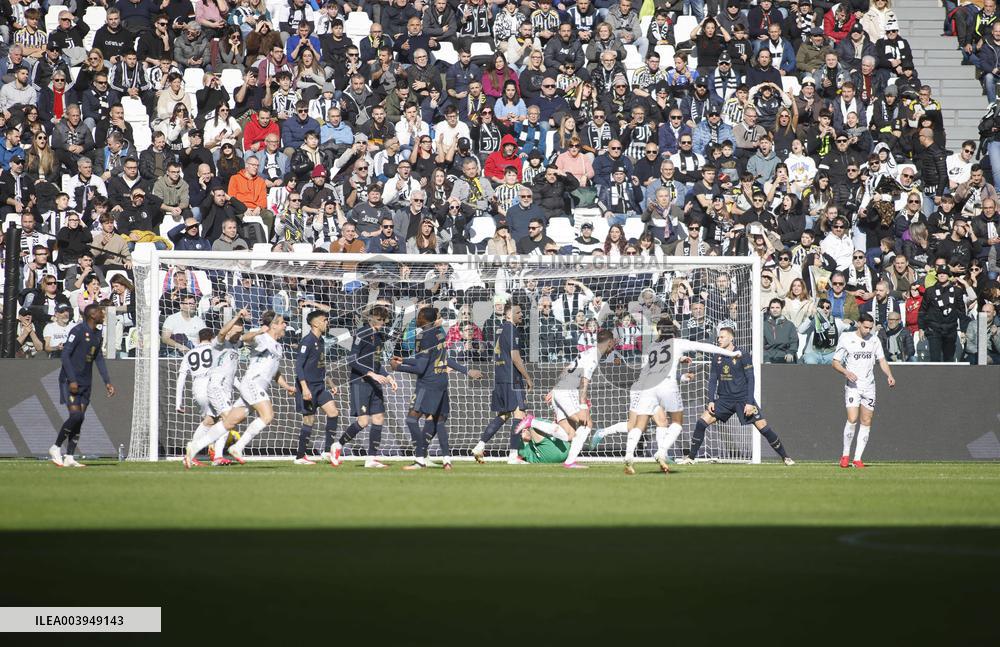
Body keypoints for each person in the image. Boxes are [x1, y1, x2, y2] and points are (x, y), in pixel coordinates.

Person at [620, 316, 741, 475]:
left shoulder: (651, 346)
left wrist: (679, 359)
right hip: (667, 385)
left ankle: (629, 456)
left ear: (659, 331)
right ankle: (661, 452)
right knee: (677, 422)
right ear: (674, 331)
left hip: (648, 386)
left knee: (640, 424)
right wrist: (730, 354)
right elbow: (704, 347)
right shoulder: (678, 343)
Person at [677, 325, 795, 466]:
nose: (719, 339)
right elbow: (713, 379)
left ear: (731, 338)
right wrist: (711, 400)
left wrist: (750, 402)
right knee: (701, 423)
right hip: (724, 400)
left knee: (764, 427)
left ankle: (786, 457)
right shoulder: (717, 356)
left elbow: (751, 378)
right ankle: (690, 458)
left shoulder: (742, 354)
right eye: (718, 337)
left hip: (743, 399)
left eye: (722, 337)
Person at [390, 306, 484, 470]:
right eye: (439, 315)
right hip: (441, 380)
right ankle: (447, 460)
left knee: (411, 419)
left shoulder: (423, 336)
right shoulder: (439, 334)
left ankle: (420, 458)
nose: (441, 318)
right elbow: (440, 358)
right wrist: (404, 360)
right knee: (439, 421)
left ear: (423, 319)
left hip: (428, 383)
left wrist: (398, 367)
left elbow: (420, 368)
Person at [516, 329, 617, 469]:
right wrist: (583, 405)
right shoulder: (594, 356)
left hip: (560, 390)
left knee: (569, 435)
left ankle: (533, 423)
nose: (613, 349)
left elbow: (566, 370)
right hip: (567, 392)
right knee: (587, 424)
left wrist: (555, 390)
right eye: (613, 345)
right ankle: (533, 423)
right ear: (610, 342)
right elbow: (584, 381)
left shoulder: (586, 352)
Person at [213, 311, 297, 464]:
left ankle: (200, 447)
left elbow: (275, 372)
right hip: (246, 384)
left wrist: (287, 386)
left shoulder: (278, 346)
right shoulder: (262, 338)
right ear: (273, 325)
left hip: (255, 387)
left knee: (229, 421)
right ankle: (236, 447)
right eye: (283, 322)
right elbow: (244, 338)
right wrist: (258, 331)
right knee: (267, 416)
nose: (285, 325)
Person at [48, 304, 117, 468]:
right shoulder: (77, 331)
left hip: (86, 381)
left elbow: (98, 358)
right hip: (70, 381)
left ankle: (70, 456)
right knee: (76, 416)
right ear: (92, 315)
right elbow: (65, 355)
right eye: (100, 312)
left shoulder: (98, 334)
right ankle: (56, 447)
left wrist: (107, 381)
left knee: (80, 419)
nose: (103, 314)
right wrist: (71, 379)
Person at [177, 311, 248, 467]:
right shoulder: (219, 343)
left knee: (209, 421)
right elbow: (222, 332)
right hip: (216, 388)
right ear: (229, 330)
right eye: (236, 332)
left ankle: (190, 454)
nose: (239, 335)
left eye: (241, 332)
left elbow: (246, 339)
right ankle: (217, 456)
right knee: (229, 420)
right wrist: (235, 317)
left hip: (218, 389)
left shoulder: (235, 344)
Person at [331, 305, 398, 468]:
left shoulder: (380, 337)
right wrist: (372, 374)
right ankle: (337, 445)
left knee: (379, 418)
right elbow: (352, 360)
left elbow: (376, 363)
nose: (382, 322)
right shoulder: (361, 333)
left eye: (384, 320)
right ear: (371, 318)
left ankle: (371, 459)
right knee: (363, 422)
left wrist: (388, 377)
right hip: (360, 382)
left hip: (374, 382)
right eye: (380, 319)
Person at [832, 313, 897, 468]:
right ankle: (845, 455)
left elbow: (881, 360)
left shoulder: (874, 340)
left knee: (866, 420)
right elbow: (835, 362)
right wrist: (846, 372)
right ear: (859, 324)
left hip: (869, 386)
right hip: (853, 385)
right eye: (865, 327)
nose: (868, 330)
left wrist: (889, 375)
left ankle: (857, 459)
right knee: (852, 418)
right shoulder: (847, 338)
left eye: (870, 327)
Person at [473, 303, 534, 464]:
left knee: (503, 415)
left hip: (500, 377)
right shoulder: (512, 329)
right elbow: (515, 356)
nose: (522, 314)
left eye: (522, 311)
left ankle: (480, 445)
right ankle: (513, 456)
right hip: (512, 378)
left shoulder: (500, 329)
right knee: (519, 414)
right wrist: (527, 376)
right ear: (508, 315)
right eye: (518, 312)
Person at [292, 310, 340, 465]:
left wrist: (330, 383)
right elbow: (299, 367)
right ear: (315, 323)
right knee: (309, 421)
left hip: (320, 386)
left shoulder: (321, 341)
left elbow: (320, 365)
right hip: (308, 387)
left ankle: (327, 451)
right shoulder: (307, 341)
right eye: (324, 320)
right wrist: (304, 389)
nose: (327, 322)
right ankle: (300, 457)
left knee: (333, 413)